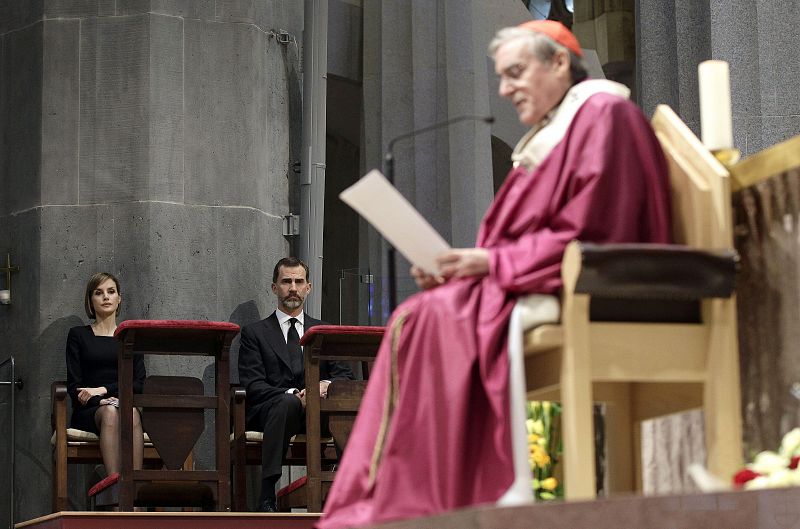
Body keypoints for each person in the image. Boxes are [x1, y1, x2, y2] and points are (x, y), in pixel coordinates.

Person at [318, 20, 671, 528]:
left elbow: (599, 226)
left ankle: (440, 496)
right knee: (422, 313)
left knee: (428, 319)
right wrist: (466, 270)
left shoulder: (602, 115)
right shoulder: (553, 133)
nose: (504, 89)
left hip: (593, 283)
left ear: (557, 63)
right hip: (539, 277)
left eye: (514, 73)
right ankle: (425, 493)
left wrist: (491, 265)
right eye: (502, 77)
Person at [238, 257, 354, 512]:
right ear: (274, 288)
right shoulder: (254, 333)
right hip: (274, 412)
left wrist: (325, 385)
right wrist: (293, 394)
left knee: (346, 405)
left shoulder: (324, 330)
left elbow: (345, 376)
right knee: (287, 402)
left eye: (298, 281)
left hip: (319, 411)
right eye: (286, 281)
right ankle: (268, 493)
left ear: (308, 287)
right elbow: (253, 383)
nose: (293, 287)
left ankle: (347, 489)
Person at [66, 272, 146, 482]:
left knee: (132, 413)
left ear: (119, 299)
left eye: (111, 292)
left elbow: (138, 383)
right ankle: (115, 491)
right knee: (110, 412)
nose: (106, 297)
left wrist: (104, 391)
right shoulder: (78, 335)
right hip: (90, 410)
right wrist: (98, 400)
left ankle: (134, 494)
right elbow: (74, 385)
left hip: (123, 403)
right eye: (98, 293)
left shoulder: (130, 336)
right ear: (90, 301)